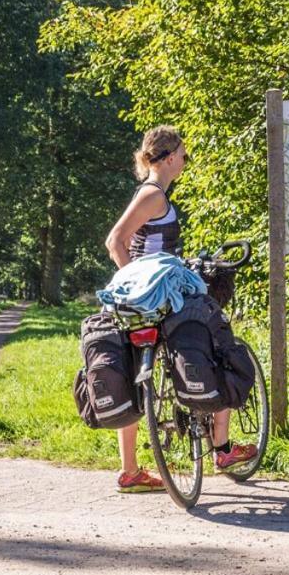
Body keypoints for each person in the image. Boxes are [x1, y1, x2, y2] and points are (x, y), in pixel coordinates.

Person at [104, 125, 258, 492]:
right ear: (170, 157)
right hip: (153, 297)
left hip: (149, 294)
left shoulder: (152, 194)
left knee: (133, 373)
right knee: (219, 345)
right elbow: (116, 241)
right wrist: (140, 285)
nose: (186, 162)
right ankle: (222, 447)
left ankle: (130, 471)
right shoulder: (154, 195)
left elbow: (150, 248)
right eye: (184, 156)